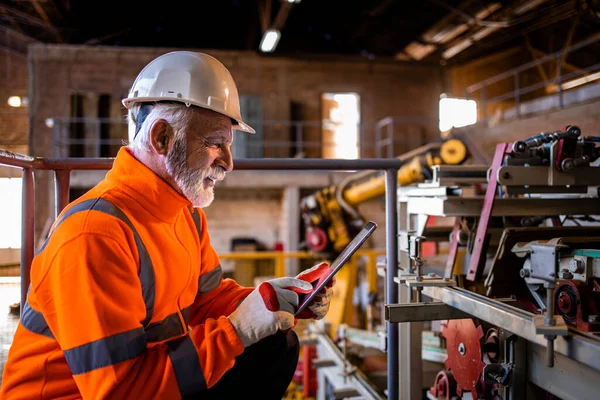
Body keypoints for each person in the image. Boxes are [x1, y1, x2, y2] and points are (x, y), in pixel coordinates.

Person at [1, 51, 334, 399]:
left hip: (144, 381)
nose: (228, 162)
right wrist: (237, 329)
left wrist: (270, 300)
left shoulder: (185, 214)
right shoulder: (93, 234)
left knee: (275, 344)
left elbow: (207, 302)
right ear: (162, 138)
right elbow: (119, 392)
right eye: (215, 143)